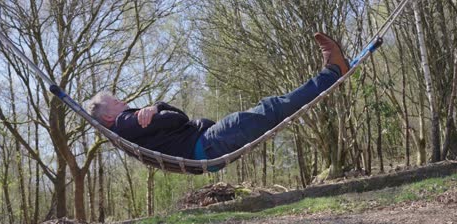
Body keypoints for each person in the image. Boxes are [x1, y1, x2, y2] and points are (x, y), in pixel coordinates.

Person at [87, 33, 349, 170]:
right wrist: (157, 108)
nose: (125, 103)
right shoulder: (124, 123)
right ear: (109, 116)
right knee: (272, 108)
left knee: (272, 110)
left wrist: (157, 107)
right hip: (209, 145)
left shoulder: (125, 131)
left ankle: (331, 72)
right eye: (118, 102)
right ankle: (334, 71)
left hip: (208, 150)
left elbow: (177, 120)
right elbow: (180, 119)